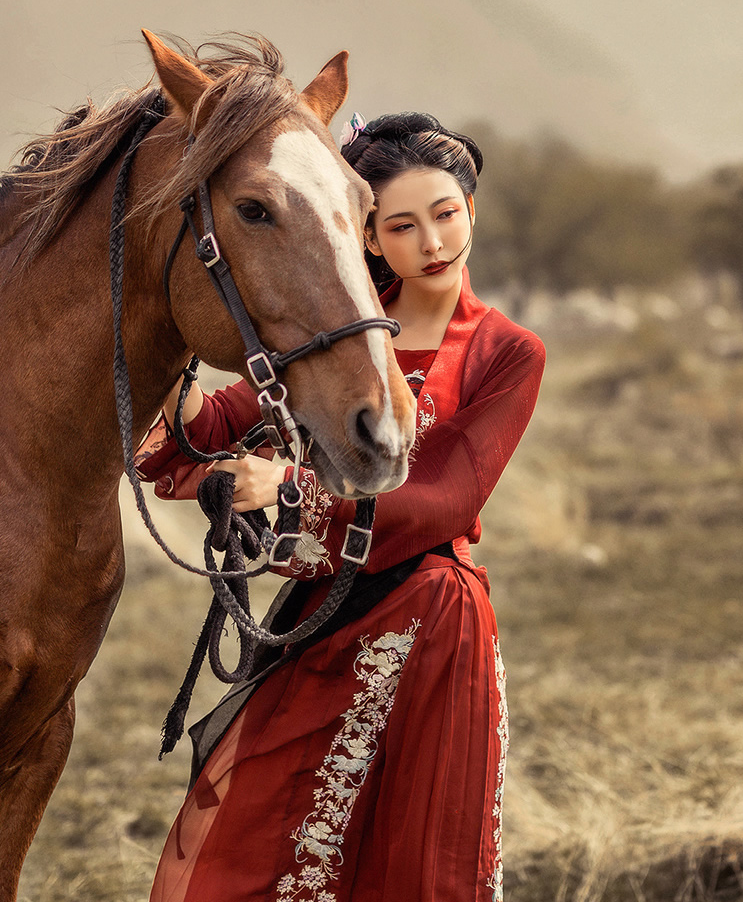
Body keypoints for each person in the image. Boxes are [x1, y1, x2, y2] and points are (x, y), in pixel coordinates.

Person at [136, 111, 546, 902]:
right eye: (401, 226)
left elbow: (444, 500)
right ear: (368, 237)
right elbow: (207, 430)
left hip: (429, 620)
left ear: (471, 209)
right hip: (320, 616)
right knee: (262, 843)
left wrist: (289, 490)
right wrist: (166, 349)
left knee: (411, 857)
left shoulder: (505, 351)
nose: (431, 242)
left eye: (445, 214)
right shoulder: (335, 339)